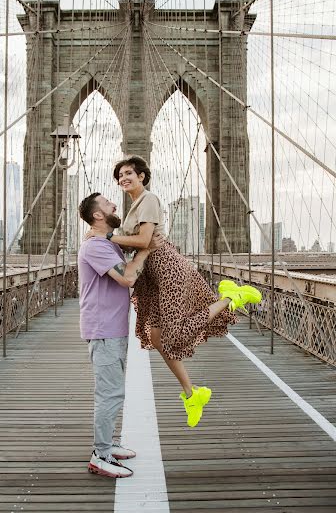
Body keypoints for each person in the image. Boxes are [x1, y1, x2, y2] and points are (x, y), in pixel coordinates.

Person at [86, 156, 262, 428]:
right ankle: (192, 395)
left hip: (168, 268)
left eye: (129, 172)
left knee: (174, 333)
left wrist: (106, 237)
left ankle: (230, 298)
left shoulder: (149, 200)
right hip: (151, 277)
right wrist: (103, 238)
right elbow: (135, 244)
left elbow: (145, 241)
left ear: (142, 176)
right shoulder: (133, 209)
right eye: (120, 175)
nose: (123, 178)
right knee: (157, 338)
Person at [78, 192, 164, 478]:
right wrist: (146, 249)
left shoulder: (106, 243)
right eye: (108, 203)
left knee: (114, 392)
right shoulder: (95, 246)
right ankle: (99, 455)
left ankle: (107, 444)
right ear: (98, 215)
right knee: (109, 394)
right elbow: (127, 278)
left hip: (113, 328)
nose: (115, 204)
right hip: (104, 330)